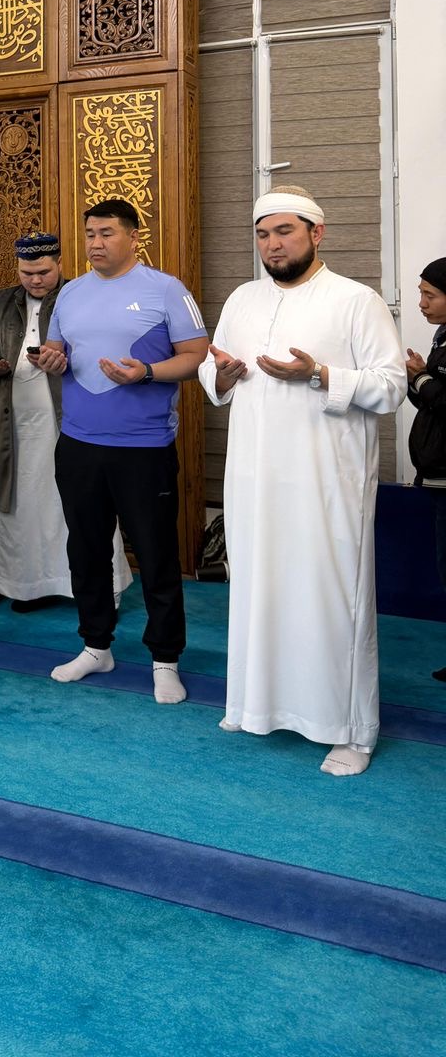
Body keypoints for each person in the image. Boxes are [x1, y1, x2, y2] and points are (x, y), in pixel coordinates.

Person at [199, 186, 406, 775]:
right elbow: (213, 374)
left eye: (284, 231)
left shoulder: (356, 300)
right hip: (255, 479)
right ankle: (257, 705)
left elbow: (391, 386)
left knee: (331, 599)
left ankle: (351, 731)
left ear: (317, 233)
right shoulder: (243, 298)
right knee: (259, 589)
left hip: (325, 483)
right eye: (263, 234)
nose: (272, 244)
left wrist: (318, 374)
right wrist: (224, 375)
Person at [44, 198, 207, 703]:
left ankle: (165, 659)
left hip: (143, 448)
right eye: (90, 234)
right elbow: (59, 351)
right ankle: (96, 646)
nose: (95, 243)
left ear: (134, 237)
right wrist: (51, 360)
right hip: (78, 444)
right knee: (86, 550)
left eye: (107, 233)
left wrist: (149, 372)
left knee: (156, 555)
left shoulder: (166, 289)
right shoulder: (70, 292)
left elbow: (197, 356)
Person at [0, 231, 132, 610]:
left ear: (60, 264)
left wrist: (65, 362)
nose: (35, 280)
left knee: (82, 503)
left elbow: (107, 355)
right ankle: (29, 586)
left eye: (43, 272)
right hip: (15, 427)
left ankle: (99, 590)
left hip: (71, 422)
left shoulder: (82, 297)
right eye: (27, 273)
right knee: (22, 505)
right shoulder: (1, 302)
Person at [406, 256, 446, 681]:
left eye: (429, 294)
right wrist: (415, 379)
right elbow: (430, 403)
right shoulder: (441, 338)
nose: (421, 303)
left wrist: (421, 378)